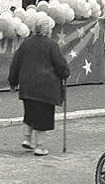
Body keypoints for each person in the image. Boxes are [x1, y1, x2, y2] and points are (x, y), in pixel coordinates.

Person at [8, 15, 71, 156]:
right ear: (48, 30)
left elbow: (15, 63)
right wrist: (65, 73)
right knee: (43, 117)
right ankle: (40, 147)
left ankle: (27, 139)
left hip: (27, 86)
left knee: (29, 113)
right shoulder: (51, 44)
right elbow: (61, 65)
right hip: (45, 88)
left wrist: (13, 82)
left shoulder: (26, 43)